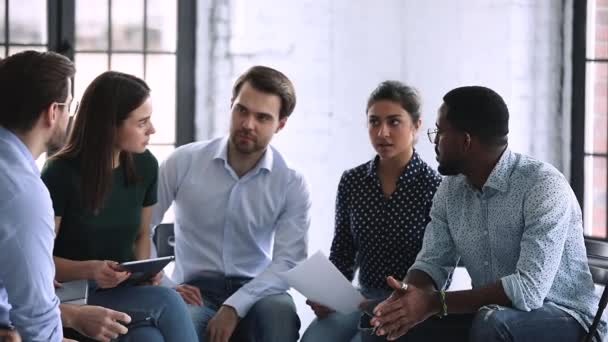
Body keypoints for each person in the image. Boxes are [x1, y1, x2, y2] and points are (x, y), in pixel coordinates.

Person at [366, 86, 606, 342]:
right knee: (390, 326)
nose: (434, 142)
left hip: (567, 318)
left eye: (440, 132)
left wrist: (434, 303)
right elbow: (431, 262)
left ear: (466, 141)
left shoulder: (543, 186)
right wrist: (409, 298)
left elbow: (528, 291)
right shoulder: (450, 190)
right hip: (492, 316)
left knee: (492, 322)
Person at [151, 65, 311, 342]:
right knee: (180, 322)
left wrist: (235, 305)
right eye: (242, 110)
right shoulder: (183, 162)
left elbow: (288, 262)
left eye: (262, 117)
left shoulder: (291, 182)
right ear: (231, 106)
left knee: (278, 314)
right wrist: (166, 285)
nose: (248, 124)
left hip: (258, 290)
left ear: (280, 124)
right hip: (193, 290)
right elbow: (143, 228)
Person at [41, 71, 198, 342]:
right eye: (142, 122)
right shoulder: (59, 173)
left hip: (123, 291)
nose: (152, 130)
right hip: (71, 294)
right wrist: (91, 269)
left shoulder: (145, 165)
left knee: (148, 338)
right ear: (110, 125)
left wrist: (146, 274)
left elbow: (141, 235)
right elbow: (38, 260)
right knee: (167, 300)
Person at [0, 50, 136, 342]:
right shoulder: (22, 193)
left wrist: (71, 316)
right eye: (69, 106)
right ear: (52, 112)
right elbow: (36, 318)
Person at [301, 81, 441, 342]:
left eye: (394, 122)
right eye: (374, 122)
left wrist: (409, 301)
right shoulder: (352, 181)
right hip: (360, 300)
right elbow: (343, 251)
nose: (382, 132)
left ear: (416, 126)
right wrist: (328, 294)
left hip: (408, 307)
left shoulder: (435, 188)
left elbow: (438, 266)